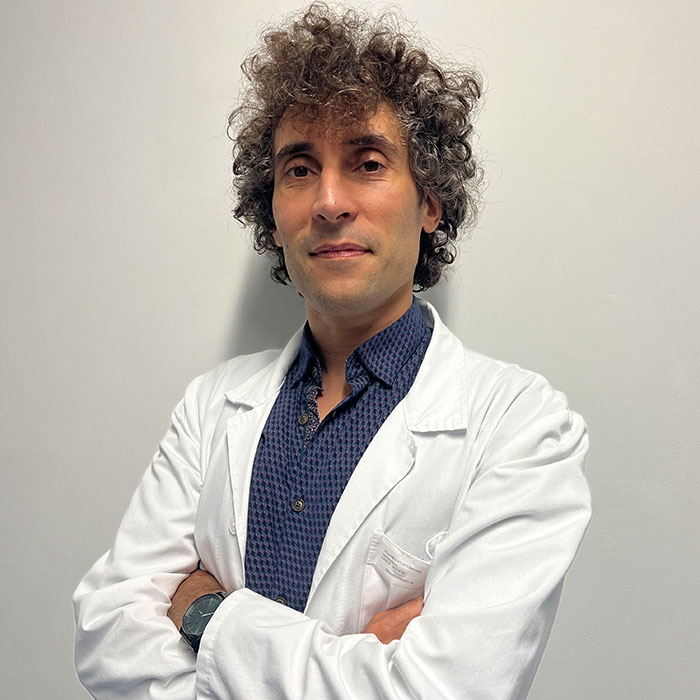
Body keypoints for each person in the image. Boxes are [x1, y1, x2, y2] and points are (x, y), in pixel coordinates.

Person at [73, 4, 591, 698]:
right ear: (272, 212)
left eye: (368, 163)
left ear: (430, 203)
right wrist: (355, 660)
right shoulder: (210, 407)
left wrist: (203, 611)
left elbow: (446, 689)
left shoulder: (521, 427)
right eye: (299, 169)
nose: (328, 202)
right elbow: (108, 638)